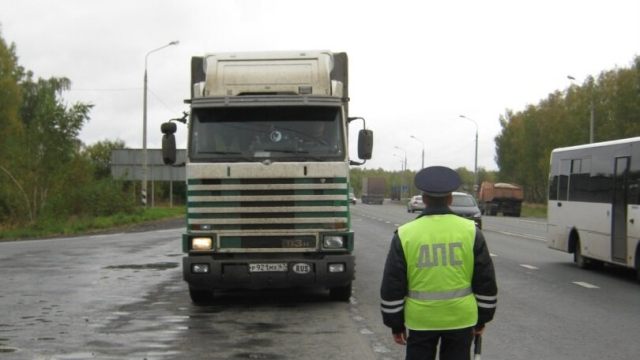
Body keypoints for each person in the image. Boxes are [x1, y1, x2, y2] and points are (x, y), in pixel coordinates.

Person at [380, 166, 498, 360]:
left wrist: (396, 324)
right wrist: (482, 318)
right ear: (450, 198)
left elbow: (393, 283)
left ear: (424, 199)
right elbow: (485, 279)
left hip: (421, 321)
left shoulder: (405, 234)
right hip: (461, 319)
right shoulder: (471, 231)